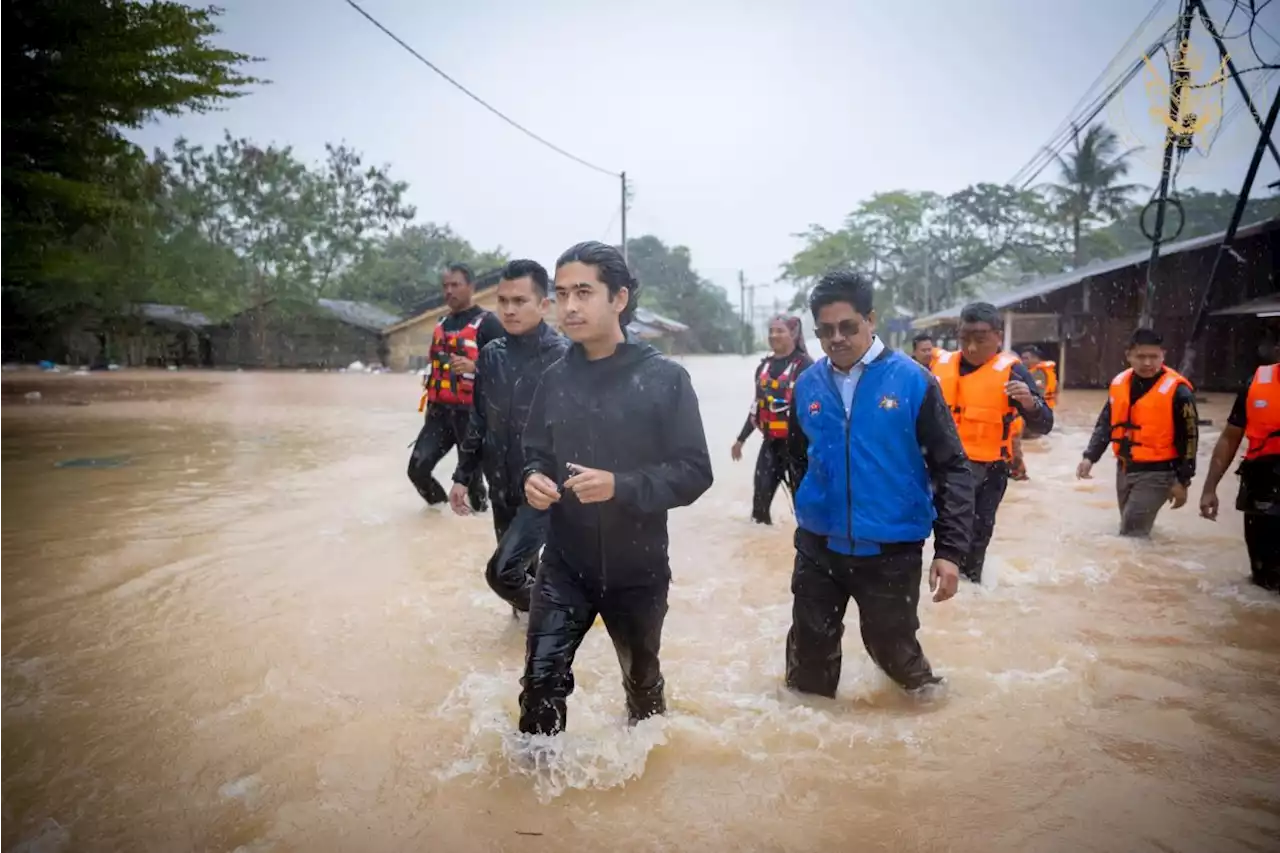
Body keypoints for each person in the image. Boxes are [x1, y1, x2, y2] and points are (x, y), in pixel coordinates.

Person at [518, 241, 713, 735]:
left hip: (638, 568)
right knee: (540, 687)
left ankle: (647, 769)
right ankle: (535, 798)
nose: (570, 307)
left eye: (584, 292)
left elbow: (695, 471)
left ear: (619, 298)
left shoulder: (665, 378)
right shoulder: (555, 379)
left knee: (642, 685)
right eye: (562, 294)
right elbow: (536, 449)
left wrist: (620, 485)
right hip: (565, 563)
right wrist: (532, 477)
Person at [784, 270, 974, 700]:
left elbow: (952, 468)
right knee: (809, 662)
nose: (836, 338)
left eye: (847, 326)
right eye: (825, 331)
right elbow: (797, 458)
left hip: (891, 550)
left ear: (870, 319)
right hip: (818, 547)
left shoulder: (913, 381)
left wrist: (949, 551)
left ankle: (940, 715)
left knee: (894, 653)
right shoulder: (807, 384)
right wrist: (813, 509)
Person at [449, 259, 569, 612]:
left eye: (520, 301)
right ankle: (530, 637)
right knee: (519, 578)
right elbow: (479, 420)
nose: (510, 310)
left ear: (543, 305)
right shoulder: (491, 356)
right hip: (500, 482)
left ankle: (560, 620)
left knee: (502, 573)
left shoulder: (564, 358)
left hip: (544, 490)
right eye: (503, 301)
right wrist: (461, 476)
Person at [931, 302, 1053, 583]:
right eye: (964, 339)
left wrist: (1030, 403)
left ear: (998, 337)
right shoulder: (939, 366)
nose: (971, 347)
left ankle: (970, 595)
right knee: (936, 533)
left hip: (988, 472)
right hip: (942, 467)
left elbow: (1045, 424)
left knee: (974, 540)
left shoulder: (1014, 372)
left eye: (980, 339)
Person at [1076, 328, 1197, 537]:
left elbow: (1190, 438)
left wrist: (1183, 480)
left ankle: (1132, 569)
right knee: (1132, 528)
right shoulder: (1119, 384)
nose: (1148, 363)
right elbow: (1106, 423)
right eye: (1141, 357)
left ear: (1163, 356)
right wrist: (1090, 457)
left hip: (1158, 472)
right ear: (1129, 355)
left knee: (1131, 533)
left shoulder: (1179, 392)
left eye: (1154, 357)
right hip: (1124, 468)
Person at [408, 263, 505, 511]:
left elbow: (508, 369)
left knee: (472, 482)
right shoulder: (441, 324)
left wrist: (475, 367)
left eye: (455, 285)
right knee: (417, 470)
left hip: (472, 417)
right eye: (445, 286)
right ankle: (439, 514)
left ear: (471, 287)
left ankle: (476, 525)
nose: (449, 291)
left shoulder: (488, 324)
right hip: (439, 414)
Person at [1200, 362, 1280, 592]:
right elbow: (1230, 437)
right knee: (1264, 580)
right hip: (1263, 485)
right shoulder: (1254, 383)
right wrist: (1209, 488)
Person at [731, 315, 814, 524]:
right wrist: (741, 440)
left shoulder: (806, 367)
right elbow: (757, 406)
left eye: (779, 331)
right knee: (759, 509)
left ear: (794, 334)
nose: (773, 336)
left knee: (805, 510)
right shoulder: (763, 368)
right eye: (771, 331)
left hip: (799, 449)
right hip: (771, 445)